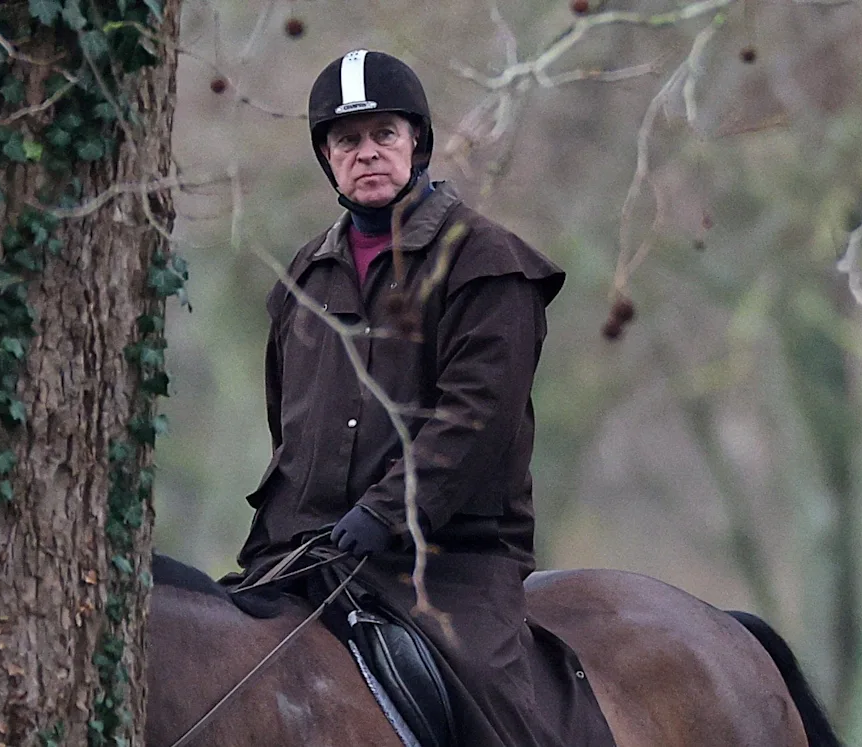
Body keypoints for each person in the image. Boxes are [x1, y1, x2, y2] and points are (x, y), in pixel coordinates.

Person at [235, 50, 612, 747]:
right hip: (307, 552)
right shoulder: (304, 278)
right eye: (347, 141)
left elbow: (477, 419)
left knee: (493, 706)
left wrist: (383, 512)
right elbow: (287, 419)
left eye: (384, 134)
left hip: (446, 562)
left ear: (418, 142)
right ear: (327, 157)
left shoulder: (488, 262)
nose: (367, 153)